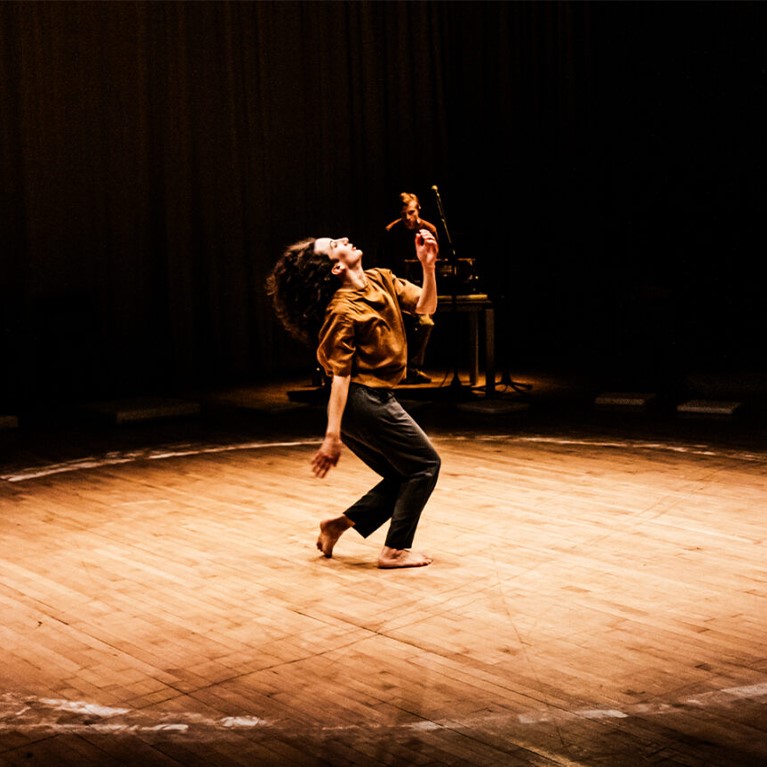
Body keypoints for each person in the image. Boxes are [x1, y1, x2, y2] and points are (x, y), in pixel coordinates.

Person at [266, 229, 441, 569]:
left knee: (402, 475)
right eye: (334, 245)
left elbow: (426, 306)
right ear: (334, 268)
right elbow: (340, 377)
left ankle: (337, 525)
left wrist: (428, 267)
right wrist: (332, 436)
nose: (343, 239)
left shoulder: (382, 280)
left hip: (371, 401)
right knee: (425, 465)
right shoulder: (341, 311)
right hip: (362, 403)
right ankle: (395, 550)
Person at [379, 192, 439, 384]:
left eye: (411, 212)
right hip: (397, 288)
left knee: (425, 323)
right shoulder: (391, 232)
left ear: (418, 209)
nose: (407, 217)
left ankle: (412, 367)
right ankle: (396, 368)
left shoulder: (429, 230)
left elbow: (438, 260)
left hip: (422, 288)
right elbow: (383, 265)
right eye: (403, 213)